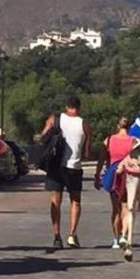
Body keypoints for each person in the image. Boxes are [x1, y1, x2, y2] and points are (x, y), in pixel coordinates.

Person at [45, 95, 91, 250]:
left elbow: (43, 138)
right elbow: (86, 153)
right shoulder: (84, 124)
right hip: (74, 168)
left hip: (56, 166)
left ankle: (56, 236)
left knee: (55, 201)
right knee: (75, 201)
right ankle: (72, 234)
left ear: (66, 106)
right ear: (79, 108)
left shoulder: (54, 119)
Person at [93, 116, 136, 248]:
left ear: (118, 126)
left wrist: (97, 175)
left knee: (115, 209)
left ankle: (116, 239)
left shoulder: (109, 140)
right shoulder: (134, 141)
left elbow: (101, 159)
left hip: (113, 175)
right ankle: (124, 235)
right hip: (128, 176)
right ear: (130, 127)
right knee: (126, 207)